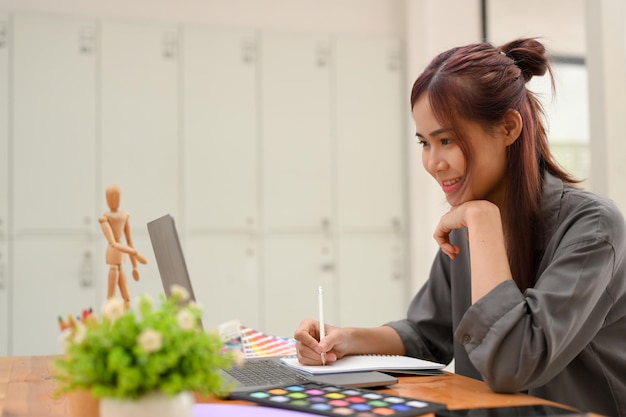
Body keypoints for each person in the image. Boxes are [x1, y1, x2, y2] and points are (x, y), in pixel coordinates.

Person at [294, 38, 626, 417]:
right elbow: (427, 333)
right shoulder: (468, 223)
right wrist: (344, 340)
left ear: (508, 128)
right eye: (424, 143)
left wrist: (482, 220)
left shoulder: (592, 228)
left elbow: (513, 364)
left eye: (446, 140)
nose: (433, 163)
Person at [99, 184, 147, 308]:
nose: (114, 200)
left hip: (121, 259)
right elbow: (113, 243)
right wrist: (134, 253)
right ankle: (109, 324)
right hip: (113, 256)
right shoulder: (104, 219)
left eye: (116, 197)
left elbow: (130, 240)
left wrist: (135, 266)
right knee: (111, 298)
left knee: (127, 297)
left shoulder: (124, 216)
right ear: (107, 199)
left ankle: (127, 323)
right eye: (111, 197)